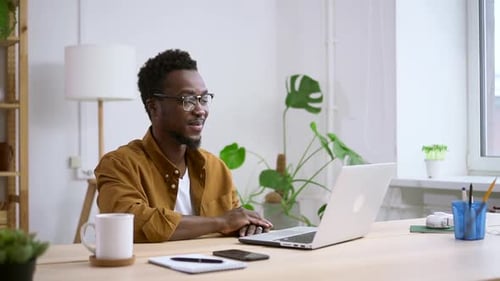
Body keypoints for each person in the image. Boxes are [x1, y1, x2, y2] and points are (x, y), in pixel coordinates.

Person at [95, 49, 272, 242]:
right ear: (154, 107)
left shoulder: (215, 168)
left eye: (204, 99)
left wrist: (249, 225)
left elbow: (234, 222)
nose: (200, 110)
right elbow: (129, 224)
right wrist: (219, 222)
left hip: (217, 269)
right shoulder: (119, 165)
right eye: (187, 100)